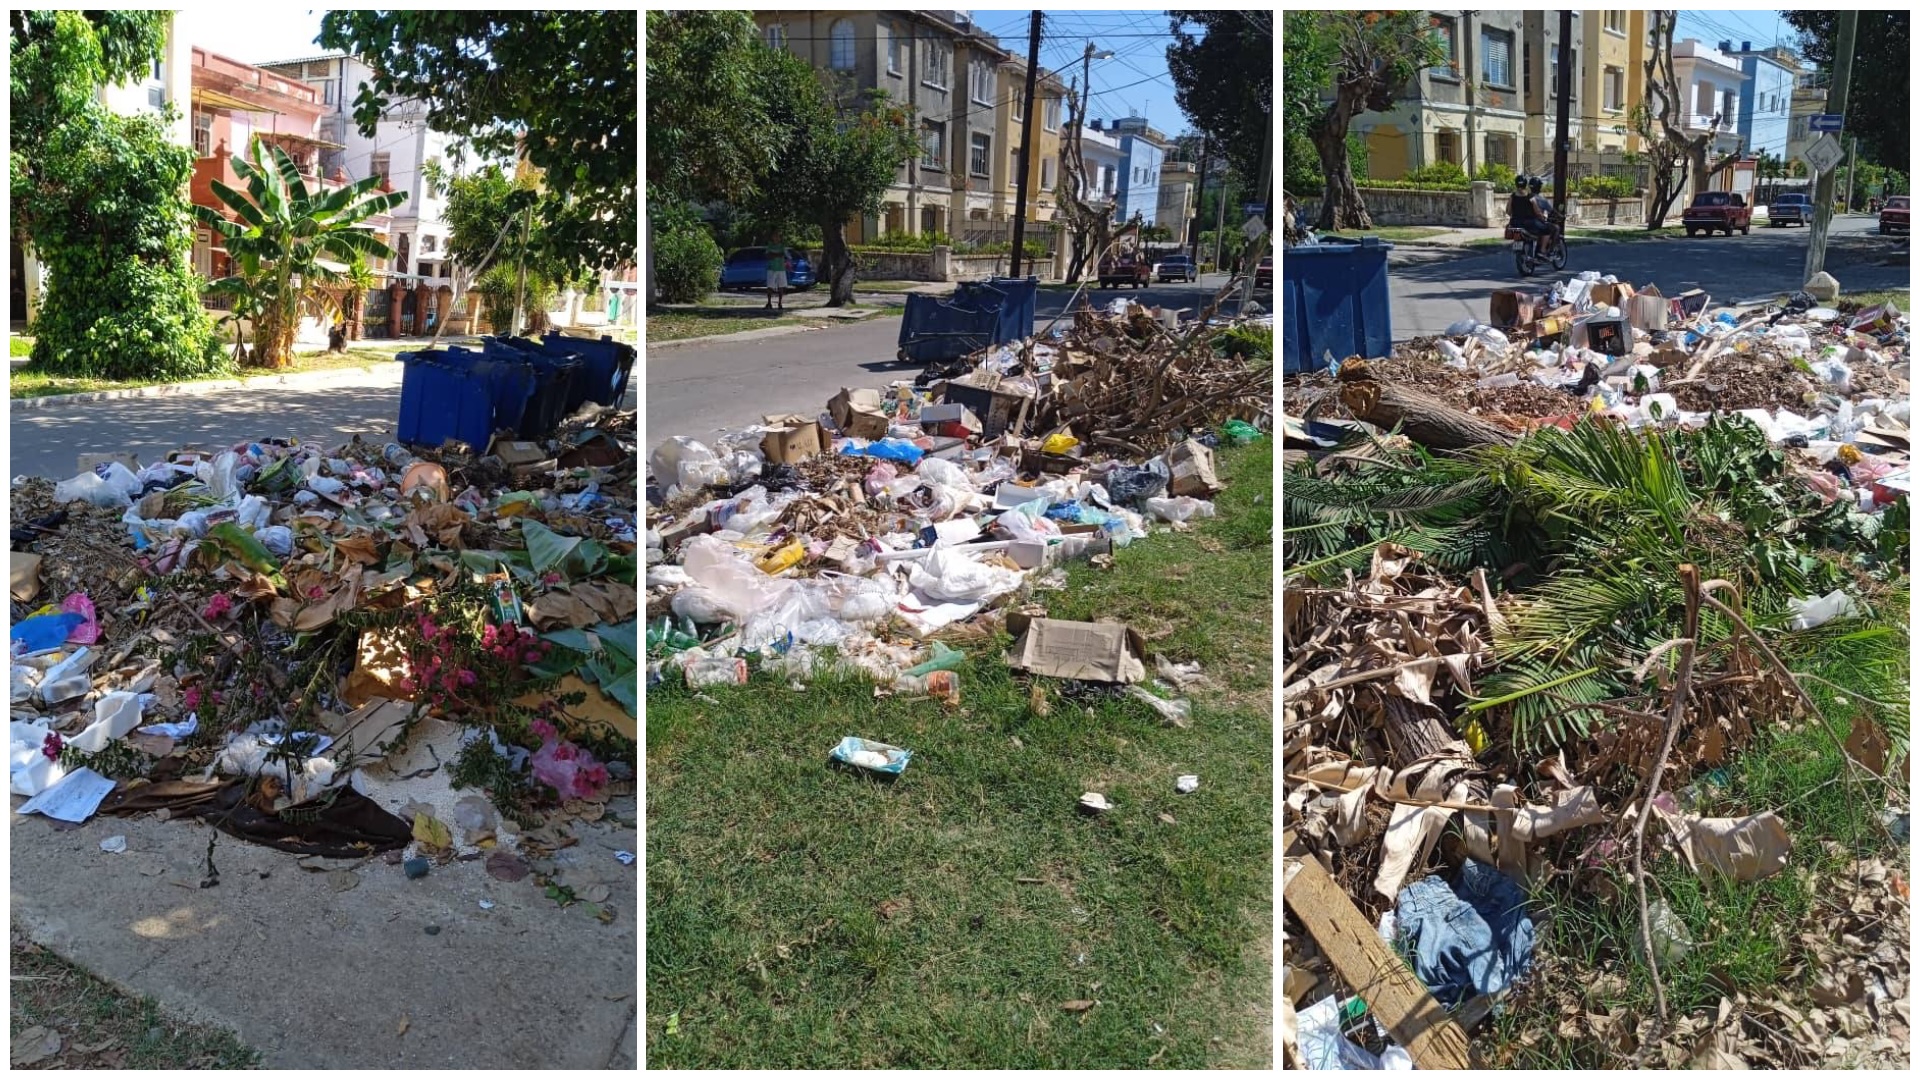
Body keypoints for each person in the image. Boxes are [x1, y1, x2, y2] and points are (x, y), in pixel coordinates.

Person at [765, 235, 789, 311]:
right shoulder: (769, 246)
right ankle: (769, 303)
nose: (776, 238)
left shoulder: (782, 246)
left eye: (778, 236)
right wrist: (777, 255)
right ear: (772, 237)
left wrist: (774, 254)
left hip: (781, 268)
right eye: (775, 236)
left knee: (781, 286)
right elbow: (768, 256)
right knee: (770, 286)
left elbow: (784, 254)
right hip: (771, 268)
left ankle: (780, 303)